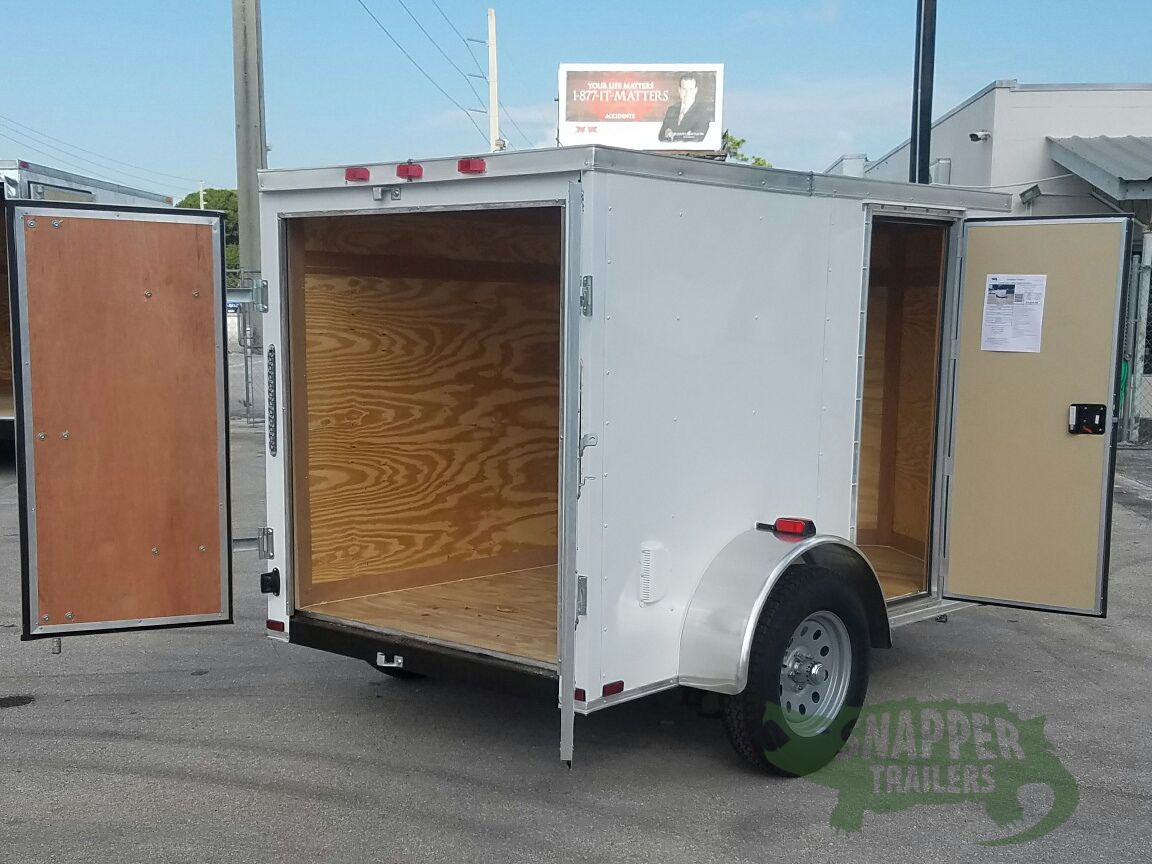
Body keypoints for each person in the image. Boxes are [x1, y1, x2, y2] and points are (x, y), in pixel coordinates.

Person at [658, 73, 712, 143]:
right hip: (668, 152)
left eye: (690, 89)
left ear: (695, 90)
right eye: (684, 89)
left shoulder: (703, 112)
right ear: (679, 90)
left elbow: (697, 138)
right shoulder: (671, 110)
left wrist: (673, 135)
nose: (687, 93)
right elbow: (661, 136)